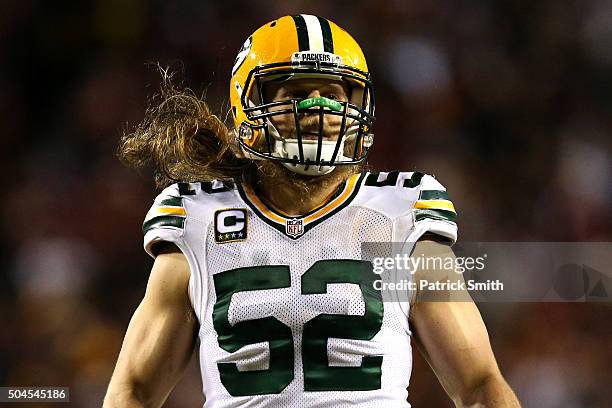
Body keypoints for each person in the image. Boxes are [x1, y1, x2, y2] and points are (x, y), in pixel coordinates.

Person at [104, 14, 520, 407]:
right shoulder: (197, 220)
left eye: (334, 95)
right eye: (296, 94)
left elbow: (479, 383)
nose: (318, 108)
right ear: (247, 105)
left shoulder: (400, 214)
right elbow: (134, 389)